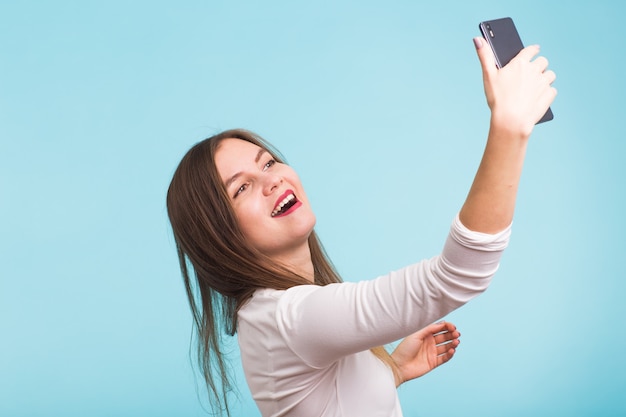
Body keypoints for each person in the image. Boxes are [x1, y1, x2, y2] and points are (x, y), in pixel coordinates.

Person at [166, 36, 556, 417]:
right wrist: (509, 128)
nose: (273, 180)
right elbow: (455, 277)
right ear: (218, 235)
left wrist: (390, 371)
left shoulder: (276, 314)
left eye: (267, 162)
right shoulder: (291, 318)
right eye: (242, 188)